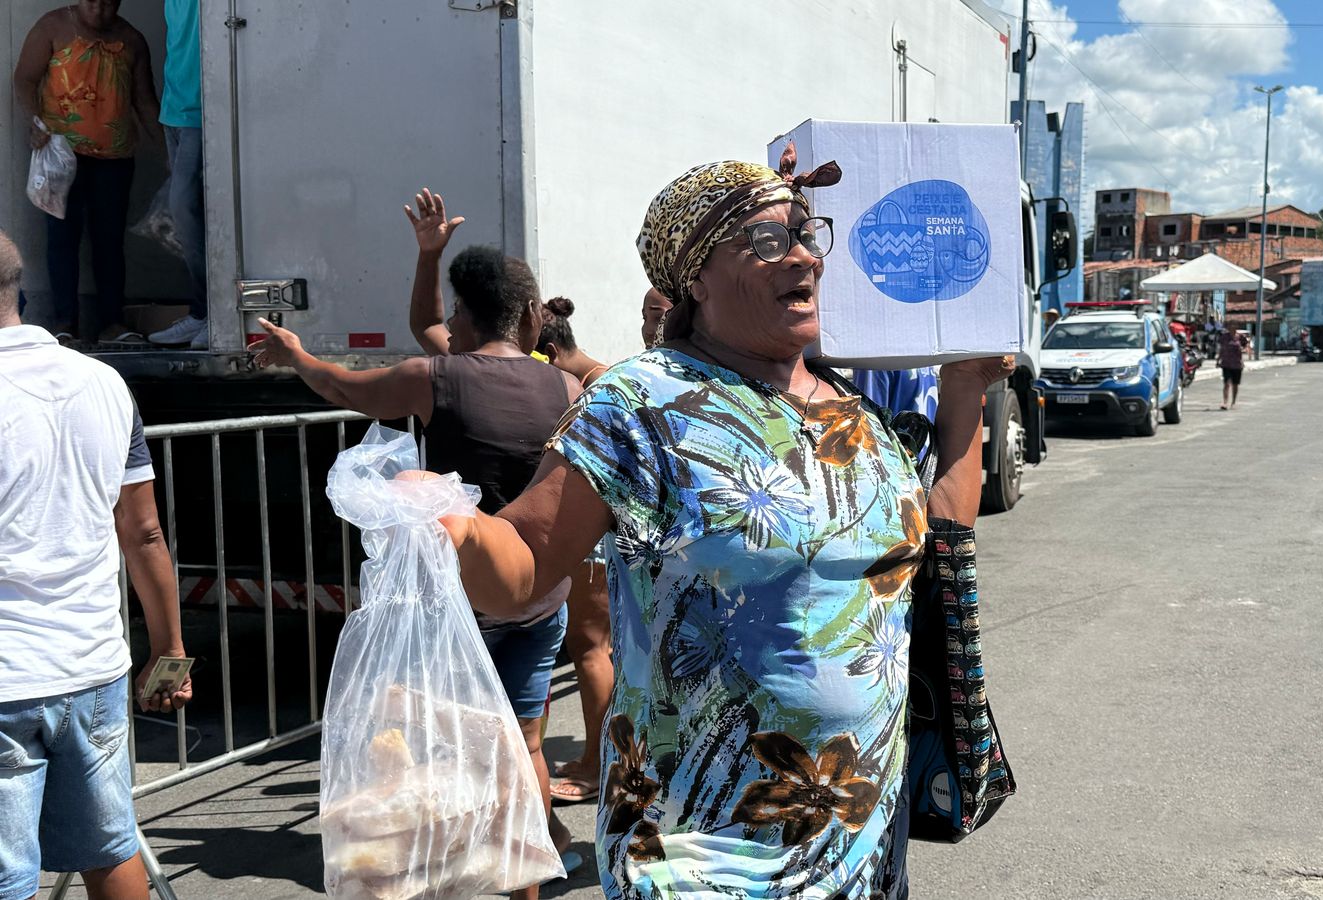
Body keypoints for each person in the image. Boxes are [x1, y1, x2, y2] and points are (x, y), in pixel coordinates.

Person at [437, 152, 1012, 898]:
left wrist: (964, 392)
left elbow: (937, 538)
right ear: (697, 278)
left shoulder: (854, 411)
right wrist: (450, 524)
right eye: (767, 241)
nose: (802, 255)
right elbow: (525, 561)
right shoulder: (641, 405)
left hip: (860, 842)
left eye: (805, 234)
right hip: (699, 851)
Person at [252, 192, 583, 894]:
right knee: (523, 744)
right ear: (530, 317)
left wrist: (296, 354)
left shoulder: (434, 377)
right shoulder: (565, 386)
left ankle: (431, 872)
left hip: (460, 597)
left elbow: (343, 386)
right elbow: (428, 325)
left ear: (463, 314)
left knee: (436, 745)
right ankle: (525, 884)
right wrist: (432, 256)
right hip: (540, 595)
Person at [0, 229, 192, 900]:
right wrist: (169, 650)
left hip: (8, 677)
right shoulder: (104, 382)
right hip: (92, 666)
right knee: (110, 850)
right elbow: (144, 534)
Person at [12, 1, 163, 342]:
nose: (98, 9)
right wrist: (34, 121)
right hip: (61, 158)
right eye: (92, 1)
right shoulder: (52, 26)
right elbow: (24, 79)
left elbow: (144, 100)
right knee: (61, 238)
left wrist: (168, 151)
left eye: (107, 2)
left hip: (115, 158)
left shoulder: (131, 39)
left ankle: (112, 322)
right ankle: (65, 323)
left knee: (109, 240)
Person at [532, 296, 616, 806]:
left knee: (590, 647)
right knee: (592, 647)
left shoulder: (596, 386)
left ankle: (598, 764)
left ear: (548, 353)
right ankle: (598, 759)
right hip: (593, 536)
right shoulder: (595, 380)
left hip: (595, 538)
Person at [145, 0, 209, 349]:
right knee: (187, 215)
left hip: (203, 111)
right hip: (174, 112)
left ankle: (209, 313)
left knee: (184, 207)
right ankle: (203, 313)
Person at [1218, 324, 1248, 410]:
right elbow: (1222, 349)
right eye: (1231, 326)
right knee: (1226, 383)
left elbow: (1246, 346)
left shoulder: (1241, 337)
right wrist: (1218, 360)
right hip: (1226, 363)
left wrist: (1243, 350)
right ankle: (1225, 402)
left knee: (1235, 384)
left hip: (1237, 364)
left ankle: (1233, 402)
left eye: (1234, 326)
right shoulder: (1224, 337)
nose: (1232, 328)